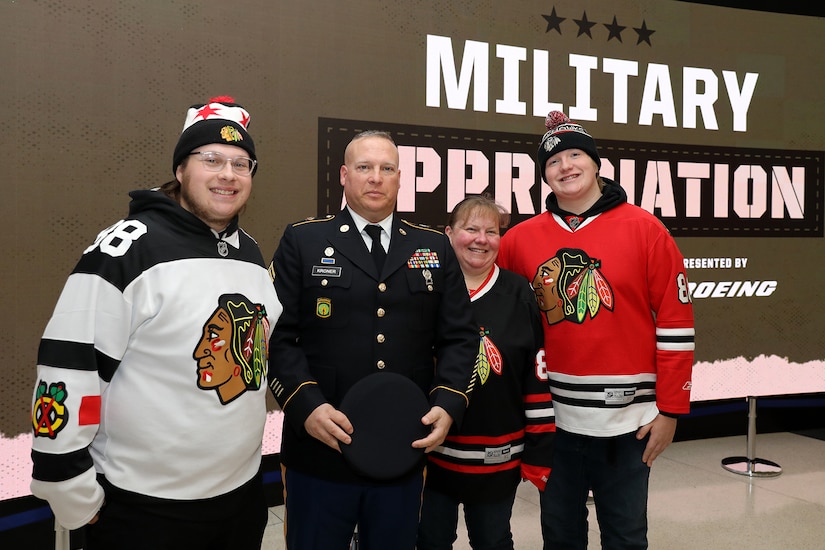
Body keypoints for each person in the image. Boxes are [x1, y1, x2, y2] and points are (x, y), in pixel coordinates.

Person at [30, 96, 283, 550]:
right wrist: (68, 487)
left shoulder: (249, 252)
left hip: (240, 500)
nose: (227, 174)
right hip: (146, 511)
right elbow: (68, 366)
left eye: (241, 164)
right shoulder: (126, 250)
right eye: (211, 159)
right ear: (181, 170)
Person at [267, 130, 478, 550]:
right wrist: (305, 405)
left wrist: (449, 403)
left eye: (386, 169)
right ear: (344, 176)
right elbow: (276, 337)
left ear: (401, 178)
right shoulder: (304, 240)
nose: (376, 178)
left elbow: (460, 337)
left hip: (401, 446)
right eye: (364, 167)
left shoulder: (433, 246)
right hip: (319, 450)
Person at [497, 111, 695, 550]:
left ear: (596, 162)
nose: (565, 166)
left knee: (625, 537)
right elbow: (499, 322)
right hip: (553, 422)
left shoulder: (647, 230)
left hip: (631, 425)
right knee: (560, 535)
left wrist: (671, 410)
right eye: (553, 161)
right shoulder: (520, 240)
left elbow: (677, 323)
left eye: (574, 155)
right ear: (544, 175)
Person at [416, 195, 555, 550]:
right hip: (431, 455)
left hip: (498, 457)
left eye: (491, 231)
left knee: (492, 540)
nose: (481, 239)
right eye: (471, 229)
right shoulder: (423, 289)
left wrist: (539, 451)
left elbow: (535, 376)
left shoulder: (520, 292)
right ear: (448, 233)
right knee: (430, 540)